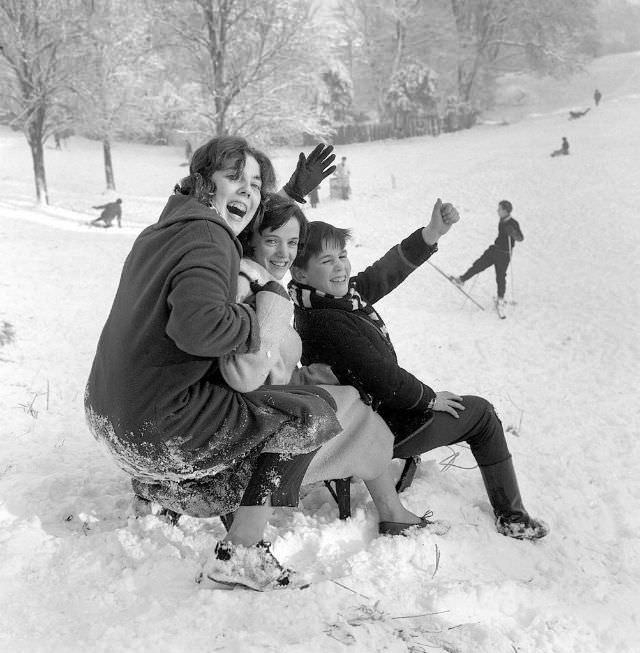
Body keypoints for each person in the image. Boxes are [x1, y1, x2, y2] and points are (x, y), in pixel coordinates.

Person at [84, 137, 341, 591]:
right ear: (205, 182)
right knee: (308, 411)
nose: (247, 190)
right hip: (155, 427)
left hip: (110, 414)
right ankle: (240, 553)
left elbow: (242, 217)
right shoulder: (210, 237)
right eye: (234, 177)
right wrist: (261, 319)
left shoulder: (166, 228)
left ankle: (160, 491)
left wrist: (291, 193)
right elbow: (199, 327)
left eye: (256, 183)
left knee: (239, 404)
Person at [288, 202, 548, 541]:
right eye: (327, 261)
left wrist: (431, 235)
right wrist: (428, 399)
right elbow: (383, 380)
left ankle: (510, 513)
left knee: (472, 411)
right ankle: (513, 517)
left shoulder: (329, 299)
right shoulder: (326, 320)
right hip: (382, 426)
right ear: (301, 274)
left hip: (375, 414)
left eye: (342, 256)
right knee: (482, 416)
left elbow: (383, 273)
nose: (340, 268)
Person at [224, 193, 435, 536]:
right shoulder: (257, 291)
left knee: (352, 401)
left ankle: (392, 510)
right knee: (356, 411)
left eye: (291, 242)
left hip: (276, 405)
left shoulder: (280, 289)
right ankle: (391, 510)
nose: (284, 252)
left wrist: (302, 375)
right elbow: (247, 373)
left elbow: (381, 275)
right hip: (259, 426)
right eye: (273, 241)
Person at [453, 200, 523, 310]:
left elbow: (520, 238)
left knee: (500, 276)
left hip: (504, 254)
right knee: (478, 265)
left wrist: (513, 232)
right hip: (494, 249)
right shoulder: (502, 220)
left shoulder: (513, 223)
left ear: (505, 211)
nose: (497, 211)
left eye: (499, 209)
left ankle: (500, 299)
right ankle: (461, 280)